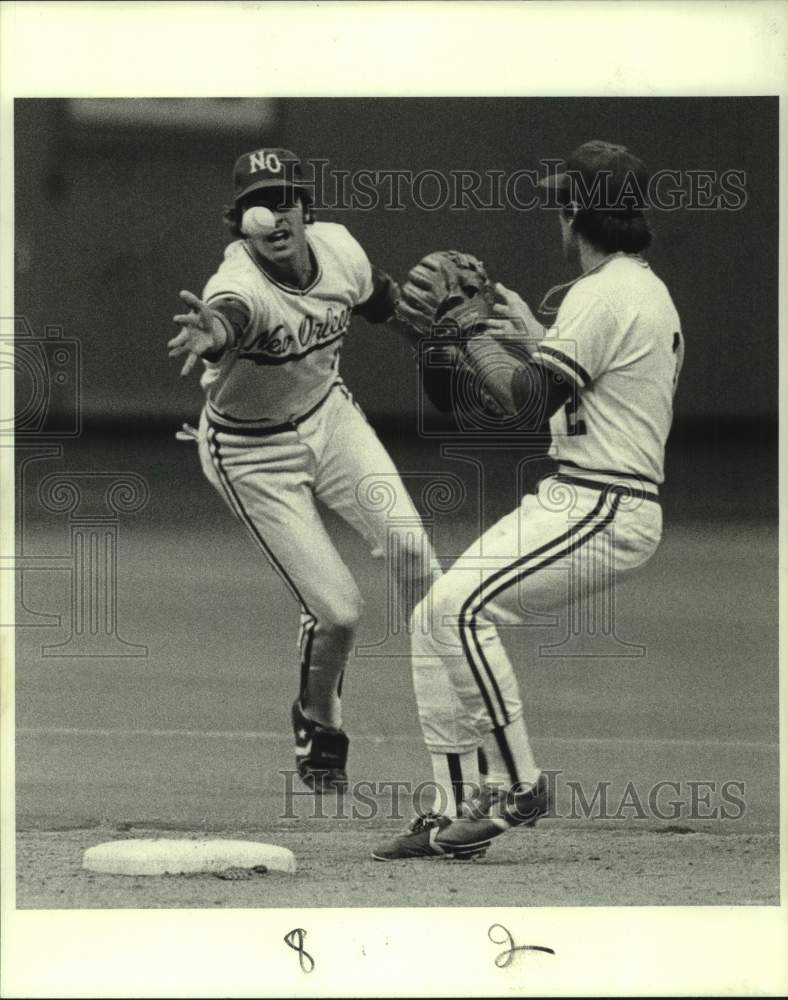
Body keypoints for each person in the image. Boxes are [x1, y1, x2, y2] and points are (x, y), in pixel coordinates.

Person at [374, 140, 684, 859]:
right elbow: (564, 385)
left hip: (607, 504)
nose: (558, 212)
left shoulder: (607, 294)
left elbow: (522, 401)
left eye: (561, 200)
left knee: (461, 610)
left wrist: (474, 332)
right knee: (434, 616)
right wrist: (519, 338)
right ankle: (453, 809)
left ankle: (517, 785)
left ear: (575, 210)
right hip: (579, 494)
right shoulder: (627, 290)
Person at [167, 147, 441, 793]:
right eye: (261, 202)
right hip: (250, 454)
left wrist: (432, 341)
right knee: (339, 612)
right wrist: (212, 334)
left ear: (305, 207)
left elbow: (383, 301)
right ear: (242, 223)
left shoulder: (339, 248)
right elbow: (228, 320)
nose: (278, 211)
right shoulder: (237, 286)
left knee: (415, 557)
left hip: (331, 418)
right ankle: (318, 719)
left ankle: (462, 711)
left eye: (288, 195)